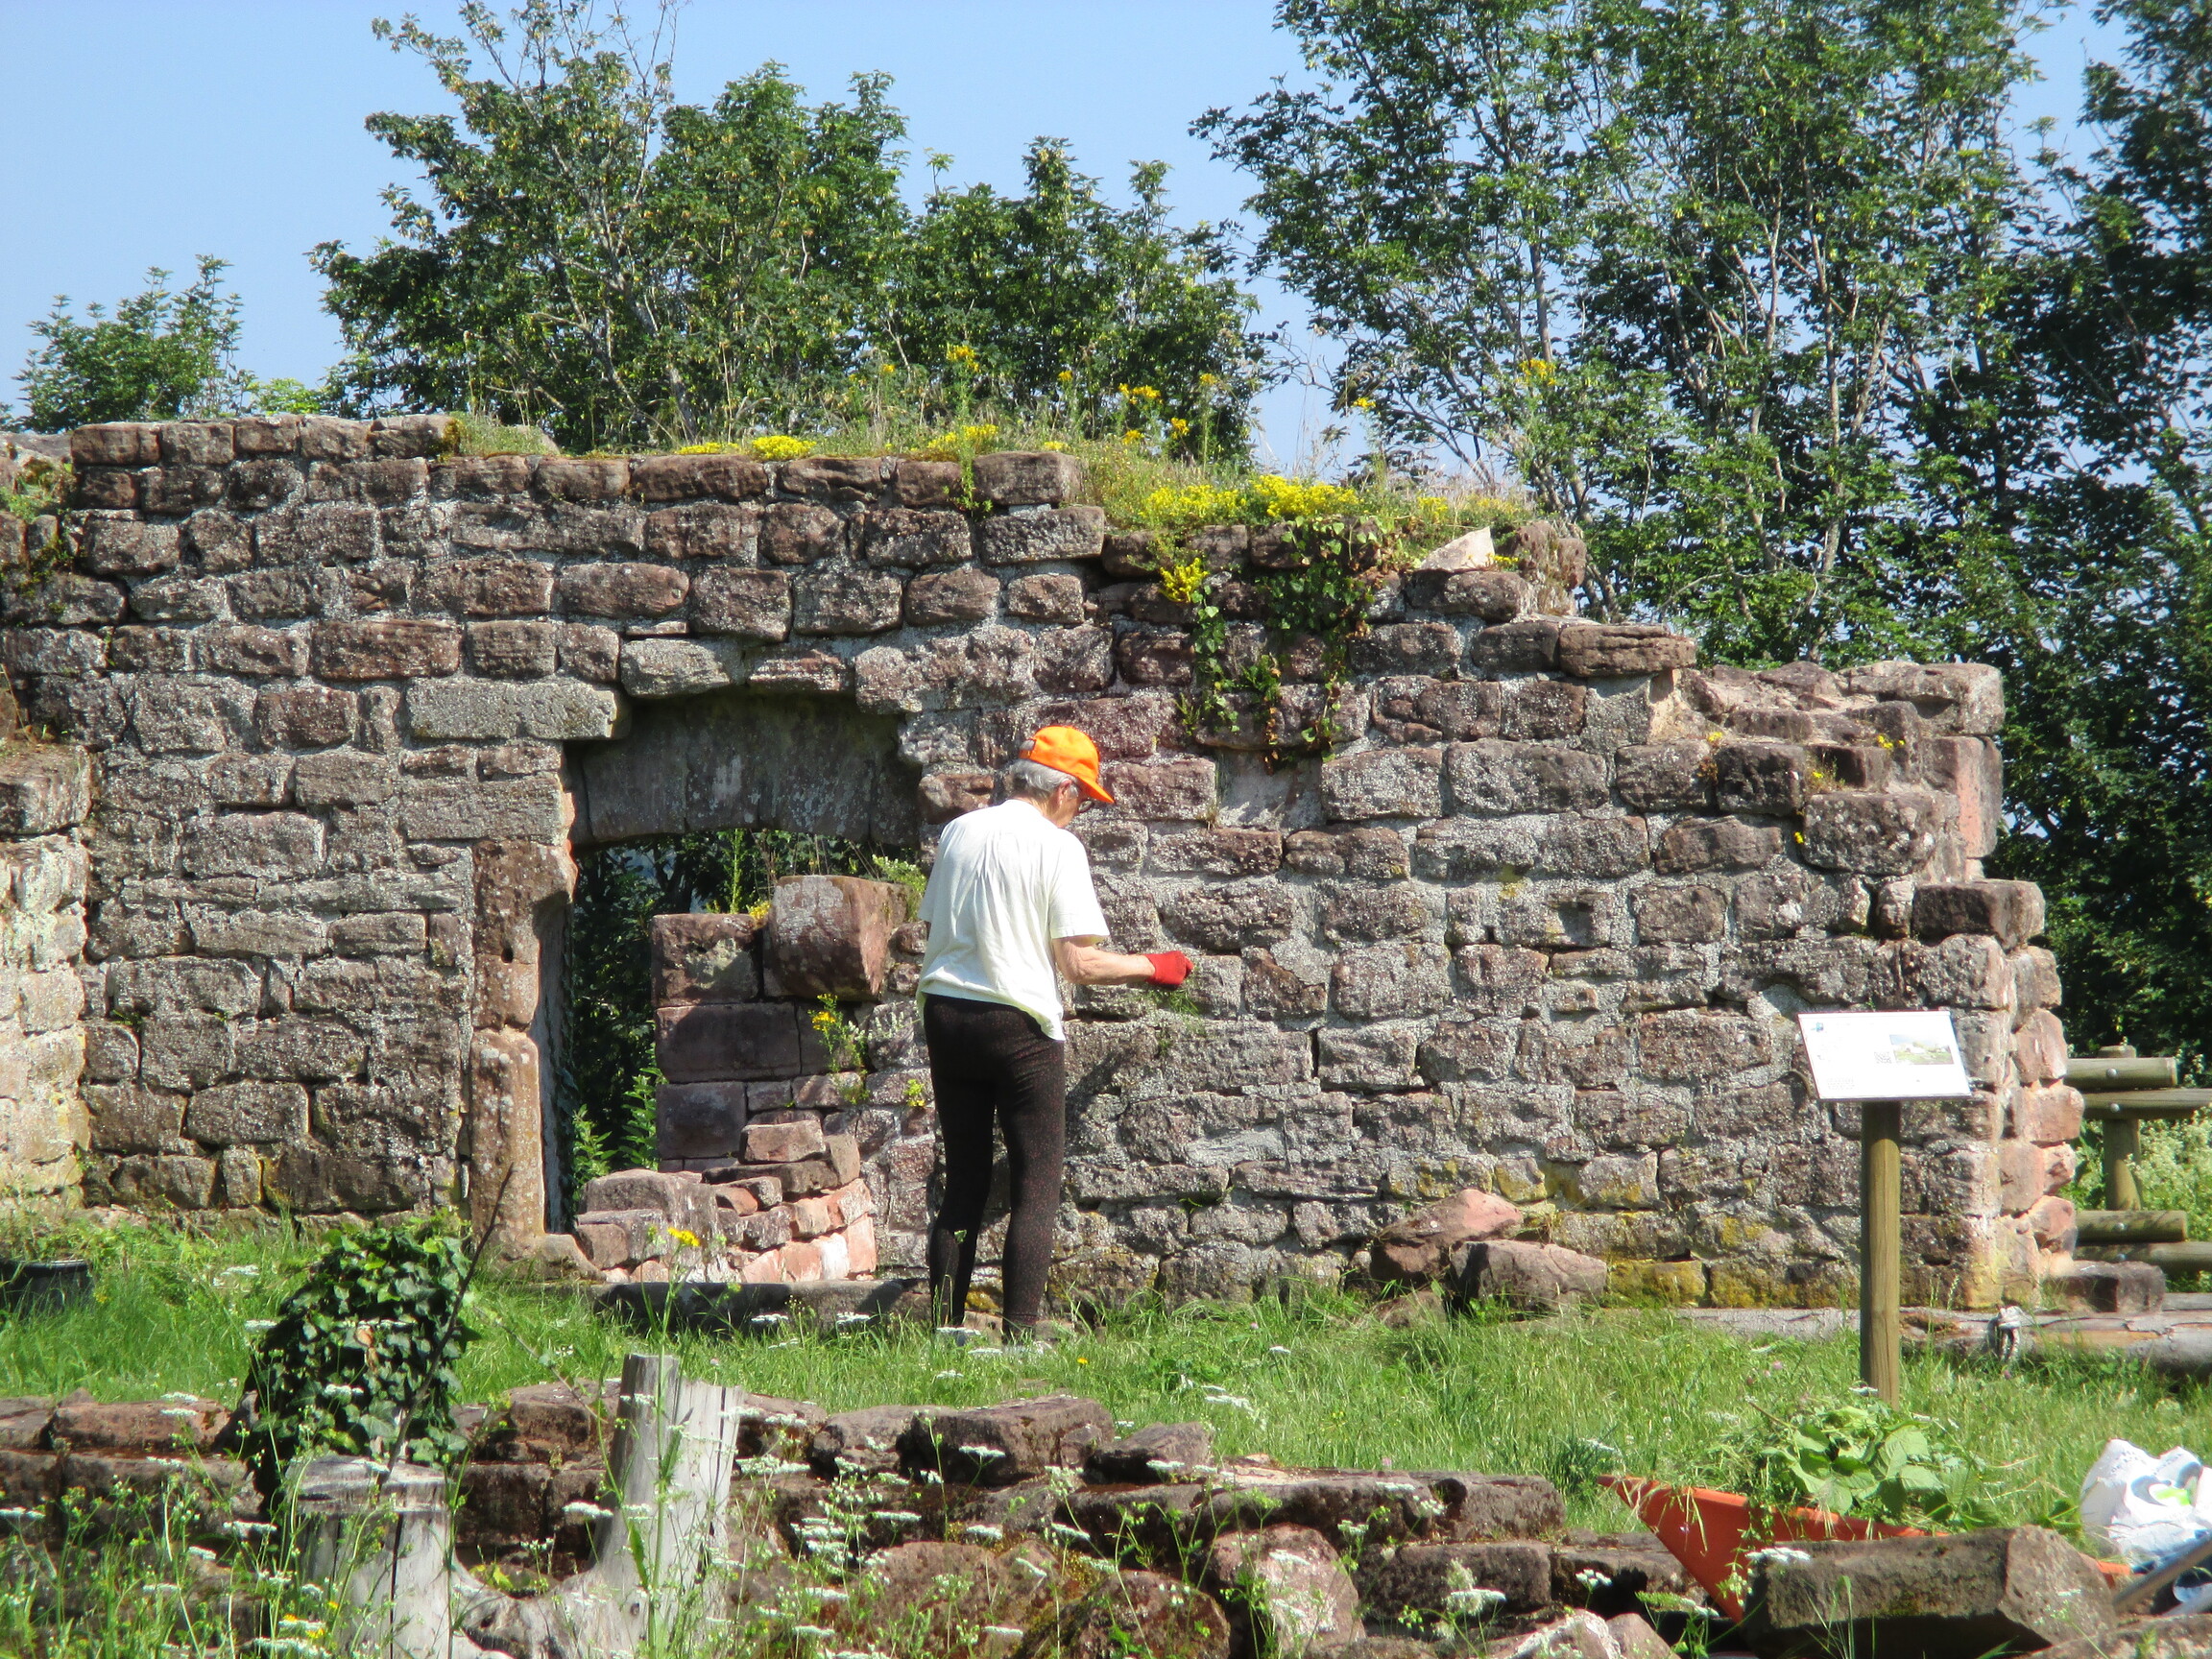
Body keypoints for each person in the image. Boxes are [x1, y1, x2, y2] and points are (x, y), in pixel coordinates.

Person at [914, 725, 1190, 1335]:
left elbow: (936, 926)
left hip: (946, 1015)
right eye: (1083, 799)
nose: (1081, 811)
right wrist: (1154, 967)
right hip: (1017, 1024)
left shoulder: (959, 831)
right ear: (1062, 789)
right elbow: (1079, 965)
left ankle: (943, 1332)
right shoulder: (1058, 848)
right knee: (1036, 1187)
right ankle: (1019, 1338)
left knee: (964, 1181)